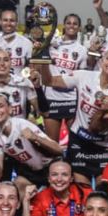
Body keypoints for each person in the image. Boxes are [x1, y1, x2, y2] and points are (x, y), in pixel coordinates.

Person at [34, 49, 108, 185]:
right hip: (79, 142)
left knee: (103, 192)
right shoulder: (84, 76)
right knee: (81, 191)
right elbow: (49, 81)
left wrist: (101, 112)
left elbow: (96, 128)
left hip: (104, 146)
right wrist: (44, 60)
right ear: (102, 61)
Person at [0, 92, 63, 190]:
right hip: (32, 172)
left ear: (10, 109)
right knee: (17, 187)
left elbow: (59, 150)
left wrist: (35, 137)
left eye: (0, 106)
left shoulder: (21, 125)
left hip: (51, 166)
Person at [39, 13, 87, 142]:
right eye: (69, 23)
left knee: (75, 143)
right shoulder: (51, 44)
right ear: (64, 25)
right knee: (52, 144)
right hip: (51, 97)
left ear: (79, 27)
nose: (71, 25)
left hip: (71, 99)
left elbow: (81, 77)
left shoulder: (82, 50)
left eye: (75, 23)